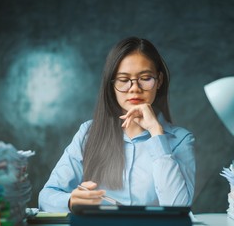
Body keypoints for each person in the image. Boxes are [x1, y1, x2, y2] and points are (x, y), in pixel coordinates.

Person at [38, 37, 195, 212]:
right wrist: (70, 201)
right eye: (123, 79)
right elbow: (46, 197)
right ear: (111, 85)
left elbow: (178, 209)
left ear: (158, 80)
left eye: (145, 78)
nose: (134, 88)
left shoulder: (180, 140)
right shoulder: (89, 133)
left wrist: (156, 133)